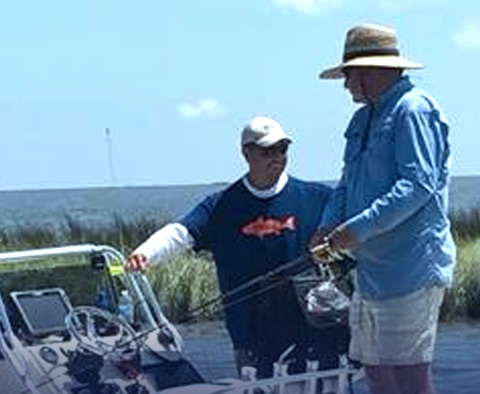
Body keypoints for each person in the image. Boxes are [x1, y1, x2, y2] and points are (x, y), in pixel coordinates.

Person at [312, 23, 456, 394]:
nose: (347, 86)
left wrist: (356, 230)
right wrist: (329, 225)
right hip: (372, 271)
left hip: (413, 266)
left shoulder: (413, 111)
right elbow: (347, 181)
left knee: (413, 377)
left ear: (373, 72)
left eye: (351, 76)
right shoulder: (364, 118)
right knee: (377, 375)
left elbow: (418, 186)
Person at [126, 116, 345, 378]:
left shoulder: (318, 198)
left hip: (312, 328)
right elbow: (182, 232)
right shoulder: (221, 205)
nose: (277, 156)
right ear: (246, 153)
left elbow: (356, 227)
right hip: (249, 331)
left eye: (282, 149)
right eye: (267, 151)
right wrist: (145, 253)